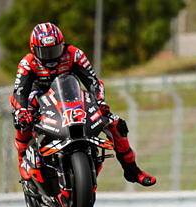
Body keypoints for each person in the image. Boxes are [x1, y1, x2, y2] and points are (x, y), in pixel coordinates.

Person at [10, 22, 156, 186]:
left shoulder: (75, 54)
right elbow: (20, 91)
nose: (50, 56)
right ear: (33, 49)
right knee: (22, 120)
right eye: (45, 52)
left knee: (116, 124)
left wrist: (100, 102)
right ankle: (22, 158)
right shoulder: (27, 63)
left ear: (62, 44)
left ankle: (132, 170)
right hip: (38, 99)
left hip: (69, 98)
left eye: (55, 50)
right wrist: (22, 111)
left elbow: (93, 82)